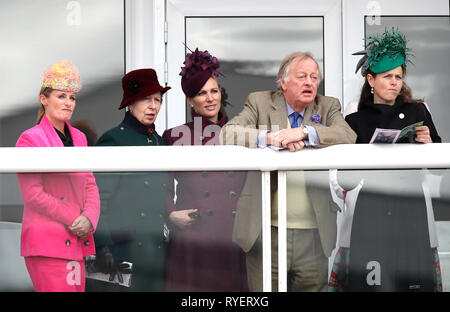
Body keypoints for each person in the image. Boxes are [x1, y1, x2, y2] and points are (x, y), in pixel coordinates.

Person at [220, 52, 356, 291]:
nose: (309, 82)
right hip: (265, 233)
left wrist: (305, 133)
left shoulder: (328, 106)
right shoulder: (260, 102)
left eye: (314, 77)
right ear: (283, 82)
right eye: (302, 76)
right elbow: (229, 132)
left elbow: (347, 135)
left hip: (314, 235)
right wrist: (272, 138)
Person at [328, 28, 442, 292]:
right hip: (372, 212)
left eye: (399, 77)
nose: (394, 82)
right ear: (370, 79)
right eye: (387, 76)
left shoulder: (418, 111)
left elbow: (438, 170)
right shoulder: (354, 121)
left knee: (413, 282)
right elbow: (347, 180)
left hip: (411, 210)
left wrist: (429, 144)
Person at [162, 48, 248, 291]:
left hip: (232, 237)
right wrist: (170, 213)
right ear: (190, 100)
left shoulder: (241, 133)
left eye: (214, 91)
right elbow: (162, 185)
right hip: (193, 238)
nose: (210, 99)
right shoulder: (174, 136)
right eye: (202, 93)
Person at [15, 60, 100, 292]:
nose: (68, 103)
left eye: (72, 98)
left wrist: (90, 218)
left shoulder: (80, 138)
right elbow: (33, 195)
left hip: (77, 240)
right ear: (44, 99)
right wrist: (76, 216)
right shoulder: (29, 139)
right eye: (61, 96)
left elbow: (90, 184)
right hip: (47, 243)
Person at [91, 68, 171, 291]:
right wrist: (103, 245)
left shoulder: (158, 141)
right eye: (146, 99)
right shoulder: (114, 139)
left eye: (157, 100)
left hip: (154, 252)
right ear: (131, 102)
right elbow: (98, 199)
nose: (153, 106)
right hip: (122, 252)